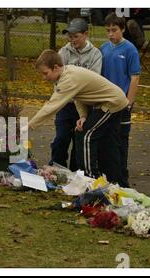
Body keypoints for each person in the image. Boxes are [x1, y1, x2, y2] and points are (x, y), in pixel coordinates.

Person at [26, 50, 128, 184]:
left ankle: (89, 179)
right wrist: (83, 116)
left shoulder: (68, 79)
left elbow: (52, 106)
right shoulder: (67, 74)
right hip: (108, 102)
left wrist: (29, 125)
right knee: (107, 144)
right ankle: (117, 182)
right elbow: (79, 96)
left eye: (45, 73)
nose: (44, 78)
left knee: (86, 135)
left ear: (56, 67)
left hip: (112, 103)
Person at [51, 18, 102, 171]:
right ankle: (56, 170)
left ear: (86, 34)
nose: (72, 40)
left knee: (78, 142)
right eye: (70, 36)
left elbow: (93, 80)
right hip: (66, 104)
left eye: (76, 36)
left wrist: (74, 87)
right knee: (61, 138)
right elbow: (57, 76)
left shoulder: (95, 54)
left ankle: (75, 174)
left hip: (85, 106)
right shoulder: (64, 52)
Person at [100, 13, 141, 188]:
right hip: (106, 103)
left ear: (122, 29)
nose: (111, 34)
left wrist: (128, 102)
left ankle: (123, 181)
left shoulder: (130, 49)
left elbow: (135, 77)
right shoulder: (103, 48)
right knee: (106, 140)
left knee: (121, 141)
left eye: (114, 30)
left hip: (122, 104)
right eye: (108, 30)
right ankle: (108, 176)